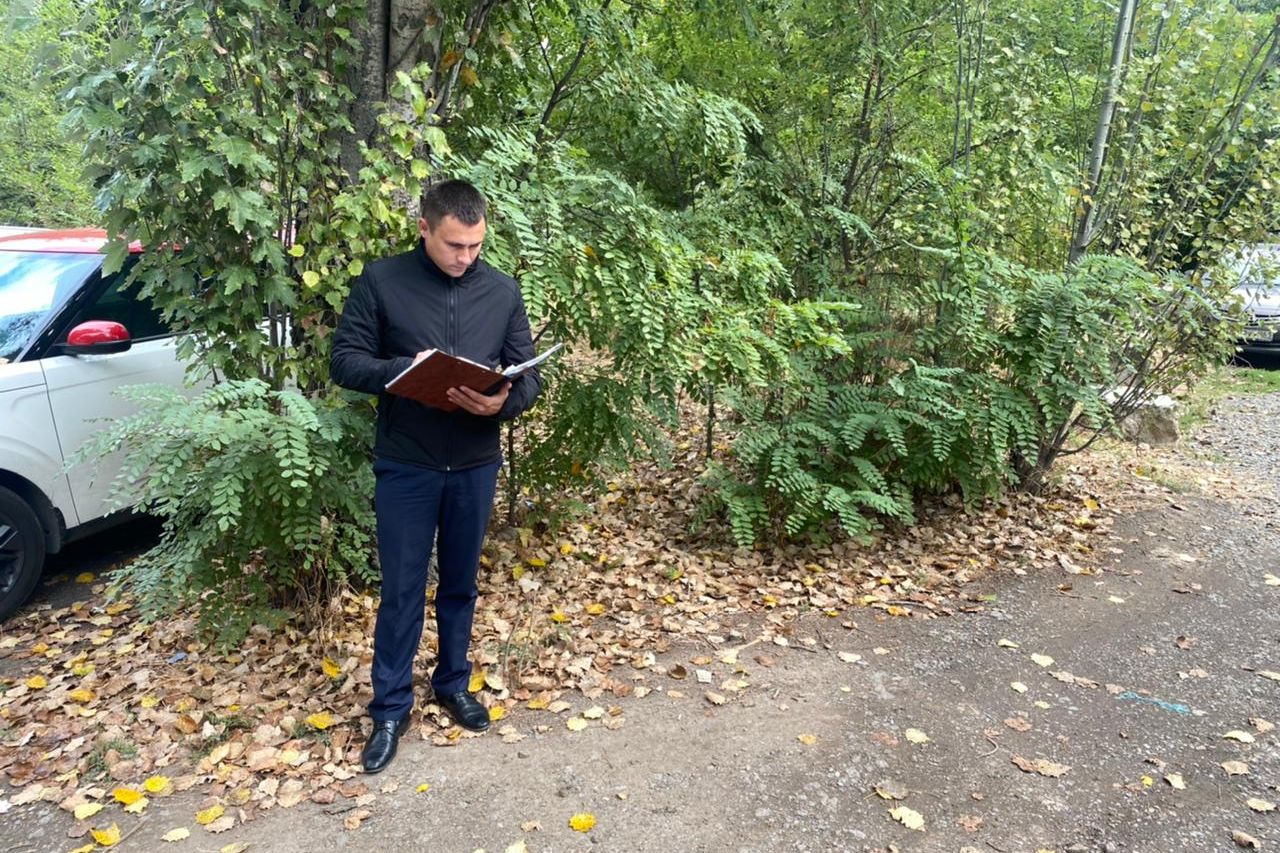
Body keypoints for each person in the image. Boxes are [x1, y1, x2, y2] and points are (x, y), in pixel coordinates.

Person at [330, 179, 543, 774]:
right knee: (401, 589)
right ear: (424, 228)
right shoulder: (383, 281)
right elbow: (345, 361)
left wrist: (503, 402)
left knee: (460, 584)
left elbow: (528, 375)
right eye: (454, 245)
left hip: (474, 462)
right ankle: (390, 709)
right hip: (407, 462)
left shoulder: (501, 290)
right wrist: (410, 369)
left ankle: (452, 684)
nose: (465, 257)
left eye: (475, 246)